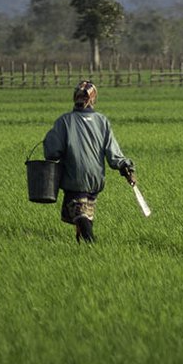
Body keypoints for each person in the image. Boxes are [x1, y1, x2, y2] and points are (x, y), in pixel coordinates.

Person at [43, 80, 135, 243]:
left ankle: (92, 247)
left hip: (75, 179)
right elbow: (114, 154)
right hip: (95, 180)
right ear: (93, 99)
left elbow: (52, 152)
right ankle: (85, 250)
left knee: (81, 215)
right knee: (85, 215)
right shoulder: (102, 121)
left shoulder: (65, 121)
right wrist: (125, 167)